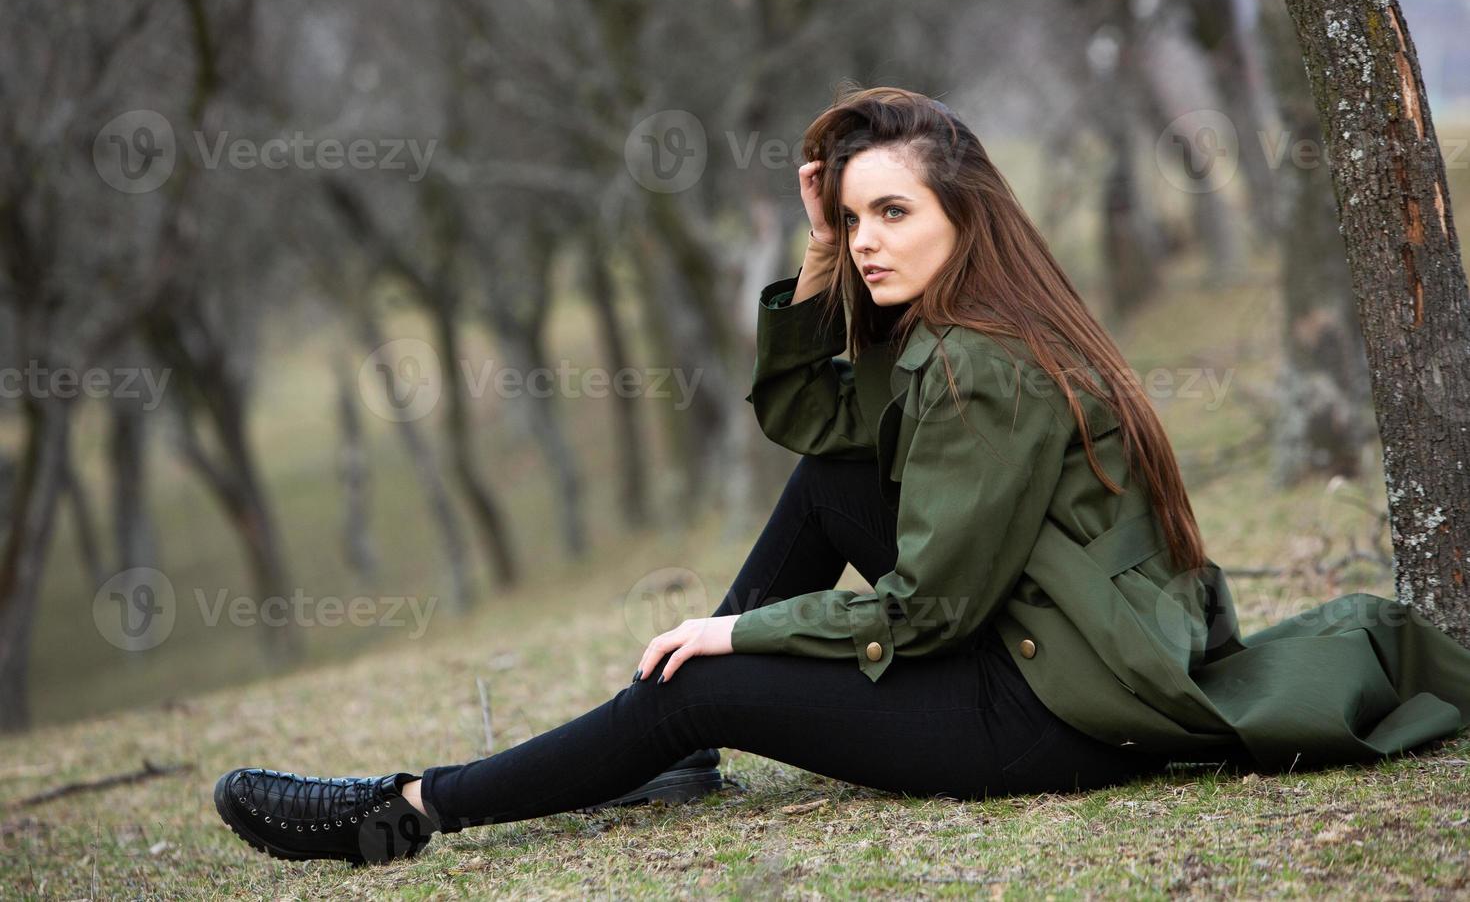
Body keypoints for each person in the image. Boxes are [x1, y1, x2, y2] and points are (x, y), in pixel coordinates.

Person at [214, 86, 1470, 866]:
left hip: (1050, 714)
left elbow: (930, 607)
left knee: (694, 686)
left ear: (962, 220)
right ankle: (663, 752)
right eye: (852, 217)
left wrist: (734, 630)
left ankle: (408, 810)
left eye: (891, 216)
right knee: (825, 486)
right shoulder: (980, 327)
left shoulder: (979, 367)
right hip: (1061, 647)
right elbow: (816, 419)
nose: (868, 241)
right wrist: (817, 251)